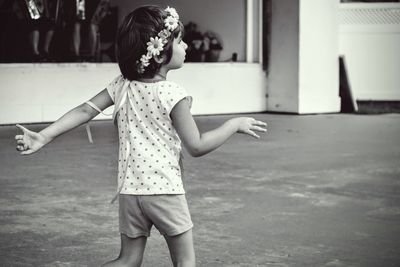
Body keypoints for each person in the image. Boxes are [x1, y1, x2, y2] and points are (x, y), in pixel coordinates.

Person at [15, 5, 267, 266]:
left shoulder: (121, 84)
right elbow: (197, 146)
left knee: (128, 260)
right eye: (180, 41)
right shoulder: (172, 93)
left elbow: (84, 110)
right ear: (159, 55)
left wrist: (43, 136)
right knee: (185, 263)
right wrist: (234, 125)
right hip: (164, 190)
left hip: (130, 192)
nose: (186, 46)